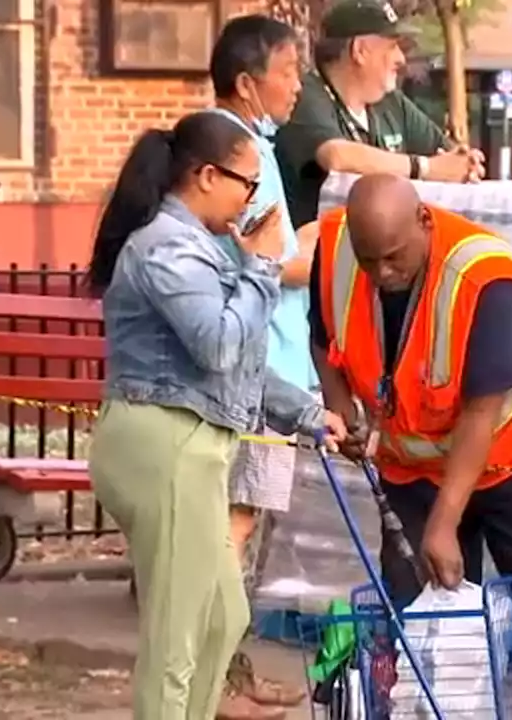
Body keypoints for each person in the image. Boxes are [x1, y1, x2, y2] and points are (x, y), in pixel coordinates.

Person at [307, 173, 512, 720]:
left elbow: (483, 412)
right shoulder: (340, 252)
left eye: (394, 258)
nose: (383, 275)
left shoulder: (483, 280)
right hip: (418, 460)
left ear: (424, 221)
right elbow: (324, 335)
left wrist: (444, 523)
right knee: (418, 617)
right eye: (371, 262)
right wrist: (340, 403)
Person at [85, 111, 346, 720]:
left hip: (198, 445)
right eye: (248, 183)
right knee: (178, 635)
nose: (252, 200)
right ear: (206, 175)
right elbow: (218, 344)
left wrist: (308, 413)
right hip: (163, 443)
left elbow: (242, 363)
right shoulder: (165, 246)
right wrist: (259, 264)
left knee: (223, 617)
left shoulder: (203, 246)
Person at [207, 16, 317, 718]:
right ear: (249, 82)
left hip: (267, 364)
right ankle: (212, 679)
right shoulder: (237, 149)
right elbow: (268, 261)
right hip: (257, 369)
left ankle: (228, 669)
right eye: (288, 71)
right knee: (233, 527)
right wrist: (328, 242)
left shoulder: (248, 145)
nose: (298, 85)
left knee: (244, 528)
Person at [274, 0, 484, 229]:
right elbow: (338, 157)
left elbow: (447, 154)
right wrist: (425, 168)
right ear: (360, 51)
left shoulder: (391, 102)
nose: (401, 59)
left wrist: (466, 165)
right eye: (392, 46)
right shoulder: (304, 94)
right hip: (318, 257)